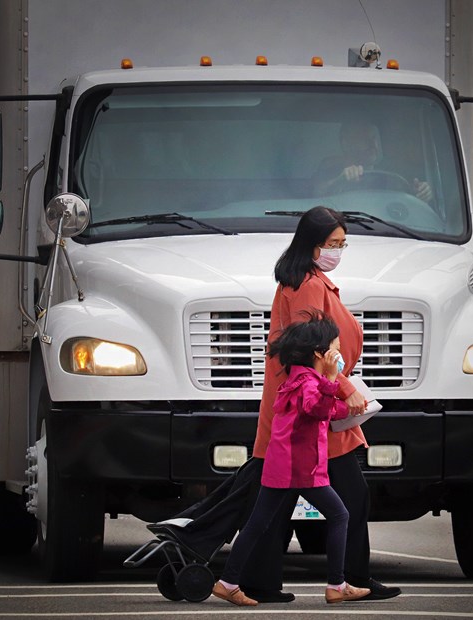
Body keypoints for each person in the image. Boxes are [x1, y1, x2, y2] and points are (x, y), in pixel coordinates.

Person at [147, 206, 401, 603]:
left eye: (342, 244)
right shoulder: (307, 285)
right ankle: (348, 578)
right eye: (332, 244)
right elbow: (306, 345)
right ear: (311, 245)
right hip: (309, 407)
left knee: (272, 499)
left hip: (300, 408)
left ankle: (254, 579)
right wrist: (344, 386)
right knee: (344, 497)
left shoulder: (308, 280)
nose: (338, 251)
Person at [211, 313, 371, 606]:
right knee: (340, 515)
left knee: (257, 524)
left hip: (281, 466)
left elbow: (323, 410)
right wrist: (334, 381)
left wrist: (350, 408)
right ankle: (337, 585)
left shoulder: (299, 378)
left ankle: (227, 582)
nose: (339, 355)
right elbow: (316, 408)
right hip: (300, 468)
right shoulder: (309, 383)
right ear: (319, 354)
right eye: (335, 349)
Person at [313, 121, 433, 202]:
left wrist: (421, 193)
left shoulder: (388, 175)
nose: (373, 145)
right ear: (346, 143)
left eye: (373, 138)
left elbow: (402, 204)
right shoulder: (330, 168)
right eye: (364, 139)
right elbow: (316, 195)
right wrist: (340, 180)